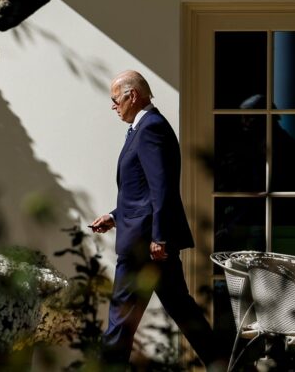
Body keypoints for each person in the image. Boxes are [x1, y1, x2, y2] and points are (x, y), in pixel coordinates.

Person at [90, 70, 222, 371]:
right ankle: (222, 363)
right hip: (147, 236)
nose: (113, 106)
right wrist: (114, 216)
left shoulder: (150, 128)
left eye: (115, 99)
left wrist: (159, 237)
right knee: (181, 308)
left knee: (120, 319)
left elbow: (161, 187)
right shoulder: (143, 127)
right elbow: (142, 191)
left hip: (145, 243)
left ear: (132, 95)